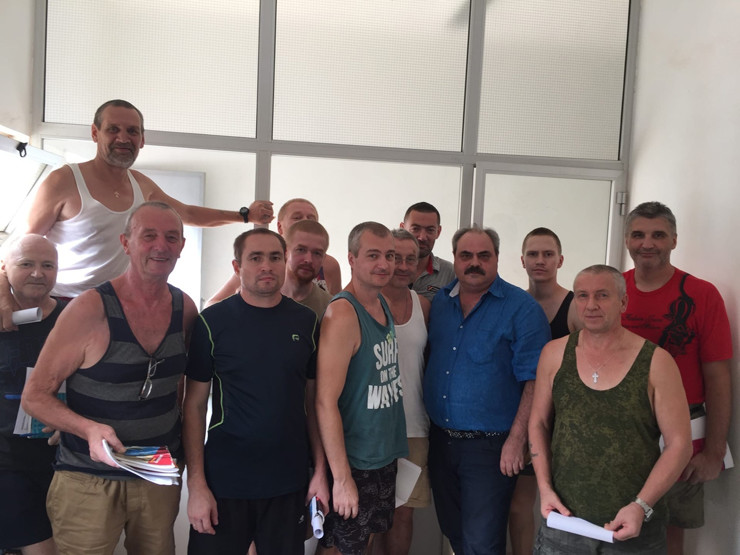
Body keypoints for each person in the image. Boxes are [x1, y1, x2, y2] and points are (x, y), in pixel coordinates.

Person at [21, 201, 198, 555]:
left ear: (181, 246)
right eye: (148, 236)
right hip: (87, 478)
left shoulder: (185, 309)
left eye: (171, 237)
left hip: (157, 475)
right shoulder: (89, 309)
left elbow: (178, 386)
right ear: (126, 243)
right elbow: (35, 396)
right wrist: (87, 429)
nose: (161, 246)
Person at [0, 99, 272, 328]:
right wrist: (4, 297)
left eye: (132, 131)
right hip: (62, 304)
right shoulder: (64, 181)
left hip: (114, 306)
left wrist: (245, 216)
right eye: (113, 129)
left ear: (142, 140)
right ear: (95, 133)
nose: (123, 138)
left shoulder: (141, 184)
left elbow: (187, 213)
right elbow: (18, 250)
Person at [529, 265, 692, 554]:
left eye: (602, 295)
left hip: (632, 527)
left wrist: (641, 506)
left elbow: (679, 444)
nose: (591, 305)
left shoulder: (656, 362)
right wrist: (544, 488)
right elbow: (539, 423)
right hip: (565, 522)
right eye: (582, 295)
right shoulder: (554, 354)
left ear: (623, 302)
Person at [184, 228, 328, 554]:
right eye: (256, 258)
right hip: (224, 481)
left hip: (287, 481)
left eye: (275, 257)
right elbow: (193, 407)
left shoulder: (306, 322)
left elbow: (314, 404)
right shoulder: (211, 322)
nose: (266, 266)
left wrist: (319, 472)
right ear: (237, 267)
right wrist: (197, 485)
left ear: (285, 262)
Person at [423, 225, 550, 555]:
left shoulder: (522, 309)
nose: (474, 263)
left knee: (482, 543)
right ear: (454, 258)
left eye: (484, 255)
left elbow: (535, 381)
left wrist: (517, 441)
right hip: (441, 442)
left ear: (497, 258)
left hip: (491, 448)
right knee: (454, 532)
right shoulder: (441, 302)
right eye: (466, 256)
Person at [621, 201, 732, 555]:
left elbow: (718, 378)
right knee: (616, 524)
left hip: (681, 432)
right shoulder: (611, 290)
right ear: (626, 240)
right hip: (619, 428)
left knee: (668, 535)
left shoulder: (702, 294)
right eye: (638, 235)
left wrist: (714, 451)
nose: (647, 243)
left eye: (658, 235)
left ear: (674, 240)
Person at [316, 222, 408, 555]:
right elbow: (325, 402)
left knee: (363, 543)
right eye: (373, 255)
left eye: (390, 256)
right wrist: (341, 479)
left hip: (382, 454)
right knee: (339, 547)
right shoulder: (343, 313)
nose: (384, 264)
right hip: (354, 460)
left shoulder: (381, 302)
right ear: (352, 259)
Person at [509, 227, 579, 555]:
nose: (540, 260)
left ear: (560, 260)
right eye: (533, 254)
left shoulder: (576, 306)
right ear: (522, 260)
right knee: (519, 506)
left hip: (566, 422)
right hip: (525, 417)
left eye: (548, 254)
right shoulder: (515, 305)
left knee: (566, 505)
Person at [0, 235, 65, 555]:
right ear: (5, 269)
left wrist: (71, 419)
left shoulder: (73, 317)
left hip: (65, 461)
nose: (38, 273)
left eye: (47, 265)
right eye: (26, 264)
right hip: (8, 461)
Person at [371, 229, 431, 555]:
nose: (404, 266)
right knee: (367, 515)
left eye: (412, 259)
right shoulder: (363, 303)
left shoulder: (424, 306)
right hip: (371, 429)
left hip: (414, 427)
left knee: (402, 514)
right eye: (397, 258)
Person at [207, 198, 342, 305]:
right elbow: (213, 304)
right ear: (280, 227)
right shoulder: (259, 264)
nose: (304, 222)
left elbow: (337, 307)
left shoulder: (329, 265)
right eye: (297, 217)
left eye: (311, 218)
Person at [399, 202, 455, 301]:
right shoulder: (387, 268)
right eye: (415, 229)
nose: (422, 237)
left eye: (430, 230)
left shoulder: (448, 272)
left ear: (438, 232)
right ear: (402, 229)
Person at [281, 219, 333, 317]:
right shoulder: (261, 298)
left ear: (323, 259)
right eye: (301, 250)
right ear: (285, 252)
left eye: (317, 253)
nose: (308, 260)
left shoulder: (330, 309)